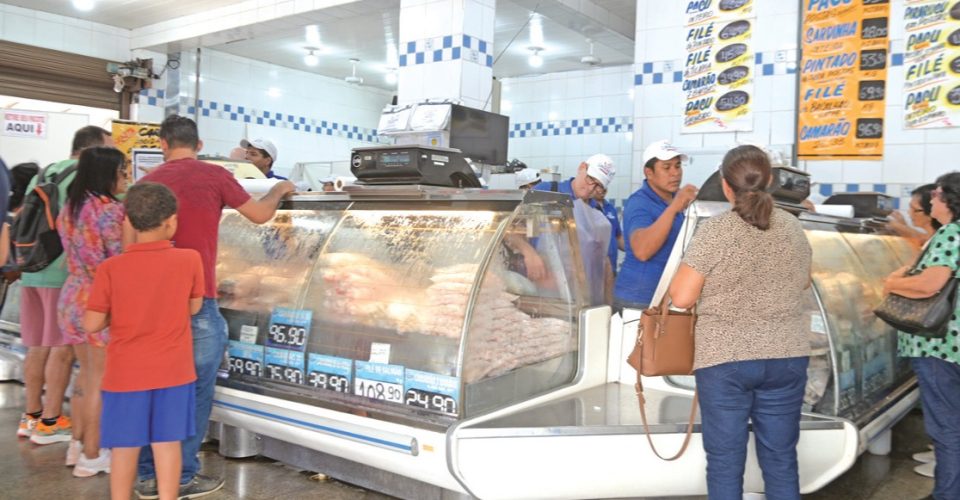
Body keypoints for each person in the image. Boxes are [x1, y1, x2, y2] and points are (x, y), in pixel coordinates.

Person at [136, 115, 295, 499]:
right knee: (193, 389)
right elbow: (259, 215)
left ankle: (145, 474)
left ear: (162, 143)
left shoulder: (144, 183)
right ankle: (182, 475)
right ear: (200, 143)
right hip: (197, 302)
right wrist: (280, 190)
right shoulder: (213, 176)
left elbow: (130, 246)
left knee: (152, 388)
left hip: (151, 304)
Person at [669, 145, 812, 499]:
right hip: (786, 356)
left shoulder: (717, 231)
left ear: (725, 184)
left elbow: (682, 298)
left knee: (725, 460)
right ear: (772, 181)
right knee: (780, 459)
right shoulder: (793, 227)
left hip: (726, 359)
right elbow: (805, 280)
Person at [84, 182, 204, 500]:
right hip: (174, 373)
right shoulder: (190, 259)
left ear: (129, 222)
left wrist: (116, 312)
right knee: (167, 444)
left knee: (125, 448)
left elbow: (92, 323)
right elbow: (194, 307)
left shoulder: (111, 268)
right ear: (171, 221)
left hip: (125, 375)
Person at [19, 125, 112, 446]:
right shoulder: (82, 179)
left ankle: (31, 416)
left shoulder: (44, 172)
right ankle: (50, 420)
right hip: (66, 275)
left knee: (37, 345)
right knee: (63, 351)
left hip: (32, 268)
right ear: (93, 152)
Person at [883, 172, 960, 500]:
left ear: (951, 200)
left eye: (938, 194)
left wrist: (891, 284)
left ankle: (947, 493)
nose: (932, 199)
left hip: (938, 343)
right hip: (951, 346)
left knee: (947, 427)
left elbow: (931, 284)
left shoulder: (950, 233)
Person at [58, 146, 132, 475]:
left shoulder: (72, 207)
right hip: (100, 300)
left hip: (73, 296)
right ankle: (92, 455)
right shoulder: (109, 211)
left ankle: (77, 445)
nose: (125, 177)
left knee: (85, 375)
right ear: (107, 174)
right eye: (122, 171)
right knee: (101, 380)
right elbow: (120, 257)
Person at [614, 140, 696, 311]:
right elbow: (642, 251)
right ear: (649, 172)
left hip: (664, 297)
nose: (675, 173)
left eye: (678, 166)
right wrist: (675, 207)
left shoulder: (672, 201)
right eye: (666, 168)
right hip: (637, 300)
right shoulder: (639, 202)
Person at [887, 184, 940, 250]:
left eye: (914, 209)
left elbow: (923, 239)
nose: (909, 212)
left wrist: (896, 225)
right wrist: (902, 225)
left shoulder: (939, 240)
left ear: (932, 213)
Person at [593, 190, 624, 275]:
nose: (601, 190)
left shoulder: (610, 208)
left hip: (611, 268)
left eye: (604, 187)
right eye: (599, 186)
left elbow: (618, 236)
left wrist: (631, 249)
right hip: (594, 269)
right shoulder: (586, 207)